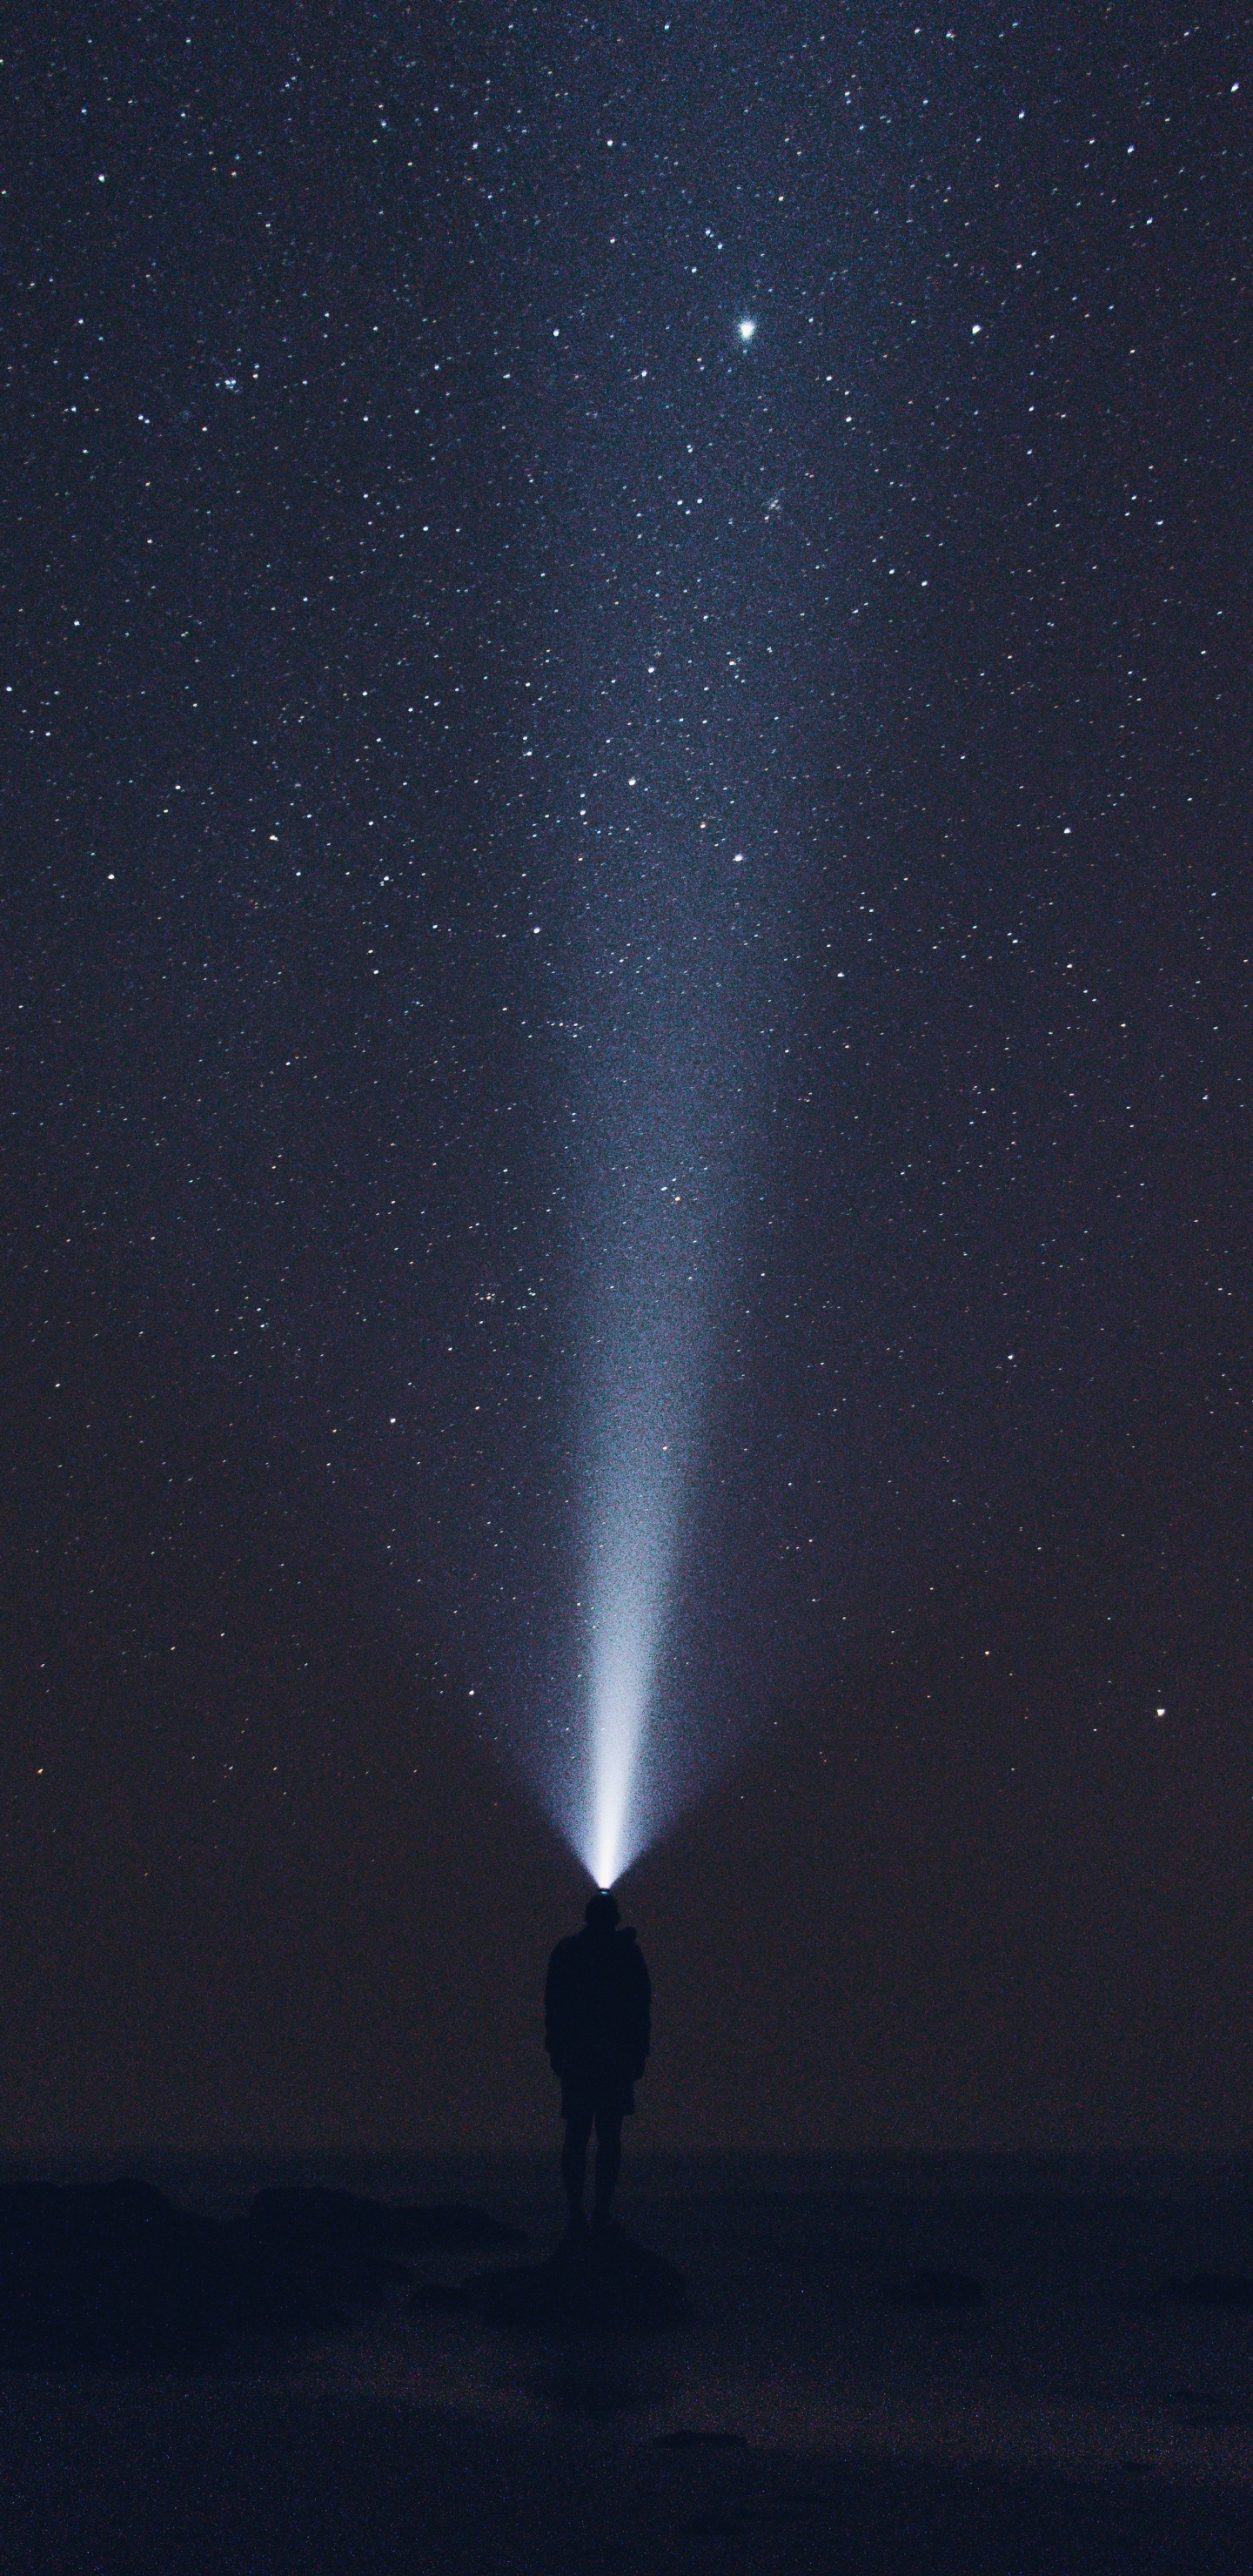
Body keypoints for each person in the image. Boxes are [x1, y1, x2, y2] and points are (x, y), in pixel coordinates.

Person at [545, 1889, 651, 2236]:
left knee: (577, 2134)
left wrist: (557, 2051)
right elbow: (640, 2007)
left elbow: (554, 2005)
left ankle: (577, 2213)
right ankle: (599, 2213)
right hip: (613, 2056)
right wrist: (639, 2053)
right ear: (614, 1918)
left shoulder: (568, 1953)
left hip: (579, 2055)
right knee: (609, 2137)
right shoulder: (626, 1955)